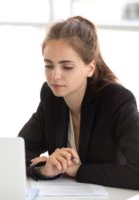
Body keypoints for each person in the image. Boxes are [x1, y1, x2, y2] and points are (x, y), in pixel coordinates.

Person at [18, 16, 139, 190]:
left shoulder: (117, 100)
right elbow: (18, 154)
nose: (54, 75)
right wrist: (44, 169)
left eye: (67, 67)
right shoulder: (51, 96)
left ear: (90, 68)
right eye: (49, 65)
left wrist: (78, 170)